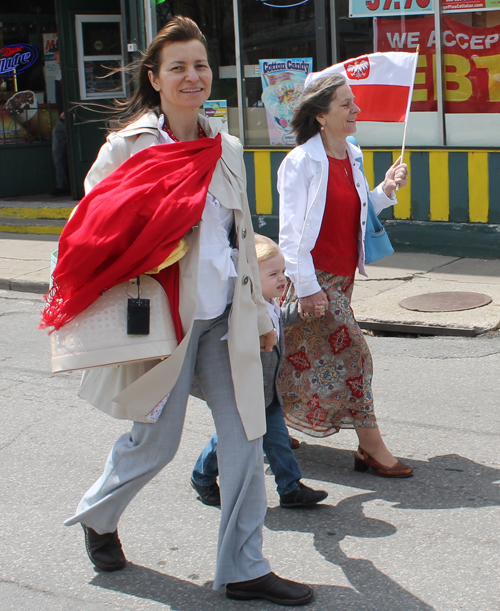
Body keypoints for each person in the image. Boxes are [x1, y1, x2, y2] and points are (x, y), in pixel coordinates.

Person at [43, 17, 313, 606]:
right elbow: (91, 228)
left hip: (228, 320)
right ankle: (98, 515)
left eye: (199, 65)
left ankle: (244, 567)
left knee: (246, 439)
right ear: (156, 78)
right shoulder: (130, 146)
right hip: (163, 322)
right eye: (178, 68)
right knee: (155, 444)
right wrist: (153, 233)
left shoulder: (228, 145)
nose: (192, 77)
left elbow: (241, 239)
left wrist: (264, 319)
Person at [277, 74, 413, 478]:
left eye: (353, 103)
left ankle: (273, 428)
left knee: (297, 358)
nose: (356, 110)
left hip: (342, 275)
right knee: (355, 355)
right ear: (320, 116)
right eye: (346, 105)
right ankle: (370, 447)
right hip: (313, 277)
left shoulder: (352, 153)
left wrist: (385, 190)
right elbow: (290, 233)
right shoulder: (300, 162)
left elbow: (355, 209)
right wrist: (306, 288)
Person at [191, 234, 328, 509]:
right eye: (273, 273)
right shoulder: (240, 312)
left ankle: (289, 488)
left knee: (278, 441)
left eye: (284, 272)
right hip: (247, 392)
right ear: (250, 278)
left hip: (268, 392)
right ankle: (203, 476)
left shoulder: (269, 303)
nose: (282, 279)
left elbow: (276, 321)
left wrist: (298, 312)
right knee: (230, 437)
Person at [50, 42, 71, 196]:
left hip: (69, 117)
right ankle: (63, 184)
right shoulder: (60, 73)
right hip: (63, 119)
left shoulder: (70, 72)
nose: (55, 56)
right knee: (58, 150)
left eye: (57, 53)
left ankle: (66, 184)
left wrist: (66, 110)